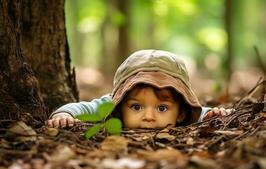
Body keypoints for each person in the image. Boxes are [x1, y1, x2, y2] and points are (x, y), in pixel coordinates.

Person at [46, 49, 234, 128]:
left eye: (162, 108)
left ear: (181, 113)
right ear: (119, 106)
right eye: (136, 107)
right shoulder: (109, 105)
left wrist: (213, 114)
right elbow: (83, 108)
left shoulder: (186, 111)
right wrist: (64, 115)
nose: (149, 117)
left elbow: (202, 113)